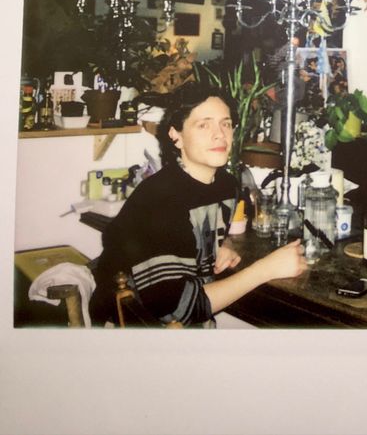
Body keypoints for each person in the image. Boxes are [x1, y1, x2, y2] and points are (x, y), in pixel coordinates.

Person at [89, 84, 307, 327]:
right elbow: (176, 310)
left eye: (225, 123)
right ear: (176, 135)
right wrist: (264, 270)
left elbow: (189, 232)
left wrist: (210, 247)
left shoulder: (226, 185)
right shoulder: (159, 200)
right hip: (132, 330)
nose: (219, 134)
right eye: (203, 124)